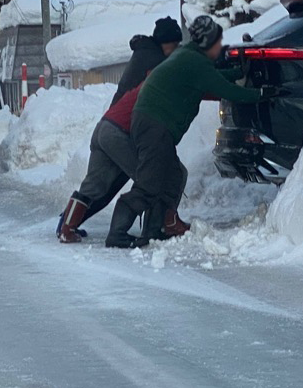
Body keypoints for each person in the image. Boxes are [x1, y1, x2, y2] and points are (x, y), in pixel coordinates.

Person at [105, 15, 269, 249]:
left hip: (151, 122)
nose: (219, 46)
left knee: (173, 175)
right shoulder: (194, 61)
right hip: (154, 125)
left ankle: (154, 229)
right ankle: (117, 233)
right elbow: (225, 89)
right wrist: (262, 96)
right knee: (150, 182)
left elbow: (216, 77)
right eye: (217, 42)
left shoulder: (189, 56)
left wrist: (238, 71)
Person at [58, 83, 190, 243]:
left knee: (94, 184)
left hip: (104, 126)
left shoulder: (150, 80)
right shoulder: (165, 85)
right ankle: (152, 228)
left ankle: (66, 229)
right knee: (151, 177)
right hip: (121, 133)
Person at [111, 16, 182, 105]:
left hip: (121, 108)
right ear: (164, 41)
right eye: (175, 44)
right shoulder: (152, 57)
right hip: (125, 110)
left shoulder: (146, 50)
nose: (176, 48)